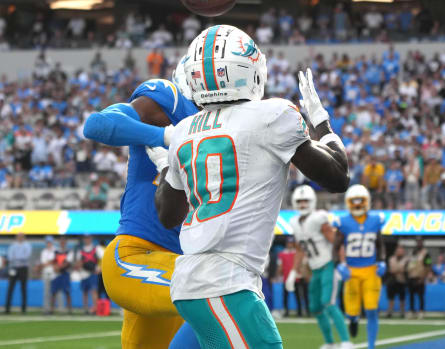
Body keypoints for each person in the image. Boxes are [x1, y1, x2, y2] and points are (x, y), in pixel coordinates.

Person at [150, 25, 350, 349]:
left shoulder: (183, 131)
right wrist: (321, 122)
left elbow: (168, 214)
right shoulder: (271, 115)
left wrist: (164, 166)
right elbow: (339, 177)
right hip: (227, 284)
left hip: (189, 285)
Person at [82, 47, 199, 348]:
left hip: (183, 261)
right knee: (215, 295)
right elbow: (97, 125)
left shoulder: (232, 127)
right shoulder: (171, 100)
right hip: (137, 254)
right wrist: (164, 137)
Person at [289, 185, 351, 349]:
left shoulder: (319, 218)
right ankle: (330, 343)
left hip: (328, 265)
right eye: (299, 201)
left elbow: (336, 242)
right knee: (315, 307)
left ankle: (346, 341)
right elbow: (300, 249)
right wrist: (293, 272)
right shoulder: (294, 222)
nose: (302, 204)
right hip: (314, 269)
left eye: (305, 201)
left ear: (312, 201)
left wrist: (343, 263)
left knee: (328, 302)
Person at [334, 185, 386, 349]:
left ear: (367, 202)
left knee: (371, 309)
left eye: (360, 201)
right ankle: (354, 319)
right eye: (354, 201)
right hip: (351, 271)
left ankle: (371, 346)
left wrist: (382, 261)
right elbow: (335, 247)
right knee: (351, 311)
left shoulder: (375, 220)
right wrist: (339, 265)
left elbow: (380, 244)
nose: (357, 205)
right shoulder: (343, 222)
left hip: (371, 270)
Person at [5, 233, 31, 314]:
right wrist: (18, 258)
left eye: (21, 236)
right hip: (14, 268)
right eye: (18, 236)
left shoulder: (27, 245)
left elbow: (26, 257)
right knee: (10, 288)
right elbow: (10, 257)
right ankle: (7, 308)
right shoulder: (13, 246)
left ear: (24, 237)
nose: (20, 238)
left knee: (23, 289)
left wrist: (16, 258)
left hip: (23, 268)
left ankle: (23, 309)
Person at [406, 238, 431, 319]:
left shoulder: (426, 254)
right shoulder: (413, 253)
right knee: (411, 296)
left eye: (420, 242)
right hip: (412, 276)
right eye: (417, 242)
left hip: (420, 277)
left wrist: (423, 277)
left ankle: (421, 311)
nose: (418, 244)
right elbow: (410, 264)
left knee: (420, 296)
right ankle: (411, 311)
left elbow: (428, 266)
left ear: (422, 243)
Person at [77, 235, 102, 315]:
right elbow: (78, 262)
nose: (87, 239)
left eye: (88, 238)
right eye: (85, 238)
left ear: (91, 239)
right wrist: (79, 266)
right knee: (85, 291)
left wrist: (99, 268)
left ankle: (95, 308)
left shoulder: (96, 248)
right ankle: (85, 309)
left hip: (92, 273)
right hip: (83, 273)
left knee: (94, 291)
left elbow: (103, 257)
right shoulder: (80, 250)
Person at [50, 237, 73, 314]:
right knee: (53, 292)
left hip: (65, 274)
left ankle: (69, 309)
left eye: (64, 241)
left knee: (67, 292)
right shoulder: (55, 251)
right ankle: (51, 309)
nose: (62, 242)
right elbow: (53, 261)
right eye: (61, 241)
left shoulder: (69, 251)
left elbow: (68, 262)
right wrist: (55, 267)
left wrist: (58, 267)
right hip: (56, 274)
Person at [386, 245, 408, 319]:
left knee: (402, 298)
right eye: (398, 251)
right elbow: (389, 269)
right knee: (391, 298)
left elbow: (406, 270)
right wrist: (397, 271)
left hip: (402, 280)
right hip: (392, 280)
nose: (399, 252)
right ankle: (390, 311)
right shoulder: (391, 259)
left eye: (401, 251)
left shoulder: (406, 260)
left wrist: (398, 271)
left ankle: (402, 312)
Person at [277, 238, 296, 317]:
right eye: (289, 243)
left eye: (291, 243)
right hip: (286, 277)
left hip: (296, 277)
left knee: (299, 294)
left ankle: (301, 312)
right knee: (285, 296)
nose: (290, 244)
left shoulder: (296, 253)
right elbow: (280, 266)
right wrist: (278, 274)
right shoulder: (282, 254)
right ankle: (286, 311)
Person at [39, 236, 56, 315]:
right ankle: (46, 309)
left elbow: (54, 261)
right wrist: (50, 262)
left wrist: (49, 262)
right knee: (46, 293)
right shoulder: (44, 251)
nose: (48, 243)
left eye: (50, 242)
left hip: (54, 273)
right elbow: (43, 263)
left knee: (54, 292)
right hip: (46, 273)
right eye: (47, 242)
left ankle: (53, 309)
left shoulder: (55, 250)